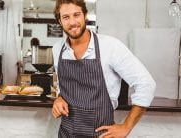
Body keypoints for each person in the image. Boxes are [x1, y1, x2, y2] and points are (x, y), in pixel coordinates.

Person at [51, 0, 156, 137]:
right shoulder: (57, 49)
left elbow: (146, 84)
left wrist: (126, 127)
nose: (72, 22)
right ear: (60, 21)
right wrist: (59, 97)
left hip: (101, 135)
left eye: (76, 15)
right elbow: (61, 84)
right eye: (66, 17)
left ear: (85, 15)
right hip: (66, 134)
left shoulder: (111, 46)